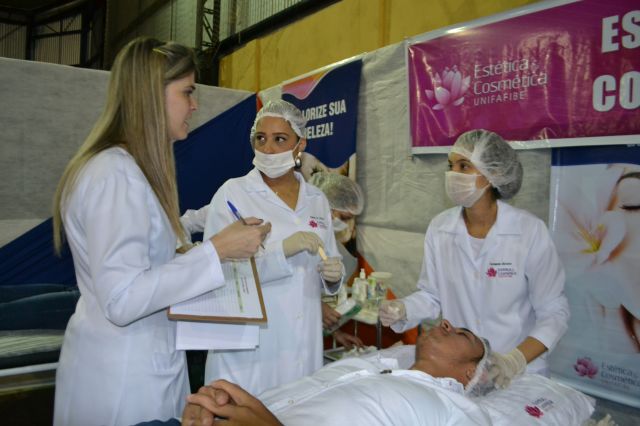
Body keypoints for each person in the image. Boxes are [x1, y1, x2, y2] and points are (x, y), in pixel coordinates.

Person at [51, 37, 270, 426]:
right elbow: (122, 299)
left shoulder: (132, 171)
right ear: (152, 94)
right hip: (122, 380)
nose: (194, 105)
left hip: (141, 362)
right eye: (187, 92)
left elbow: (141, 267)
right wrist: (216, 250)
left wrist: (192, 253)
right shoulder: (115, 174)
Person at [379, 129, 569, 388]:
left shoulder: (528, 231)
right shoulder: (440, 228)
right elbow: (432, 296)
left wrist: (514, 360)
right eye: (451, 166)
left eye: (464, 166)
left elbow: (554, 311)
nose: (452, 174)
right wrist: (403, 309)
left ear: (493, 174)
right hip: (460, 372)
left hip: (520, 374)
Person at [202, 100, 345, 395]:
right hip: (250, 346)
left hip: (302, 339)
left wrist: (332, 278)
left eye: (280, 139)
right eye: (261, 138)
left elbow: (327, 259)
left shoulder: (316, 198)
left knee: (297, 407)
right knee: (244, 406)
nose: (267, 149)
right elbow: (215, 272)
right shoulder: (233, 193)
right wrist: (281, 251)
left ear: (300, 145)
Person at [181, 319, 497, 426]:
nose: (445, 324)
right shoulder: (371, 368)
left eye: (462, 334)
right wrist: (218, 407)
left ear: (471, 372)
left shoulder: (452, 409)